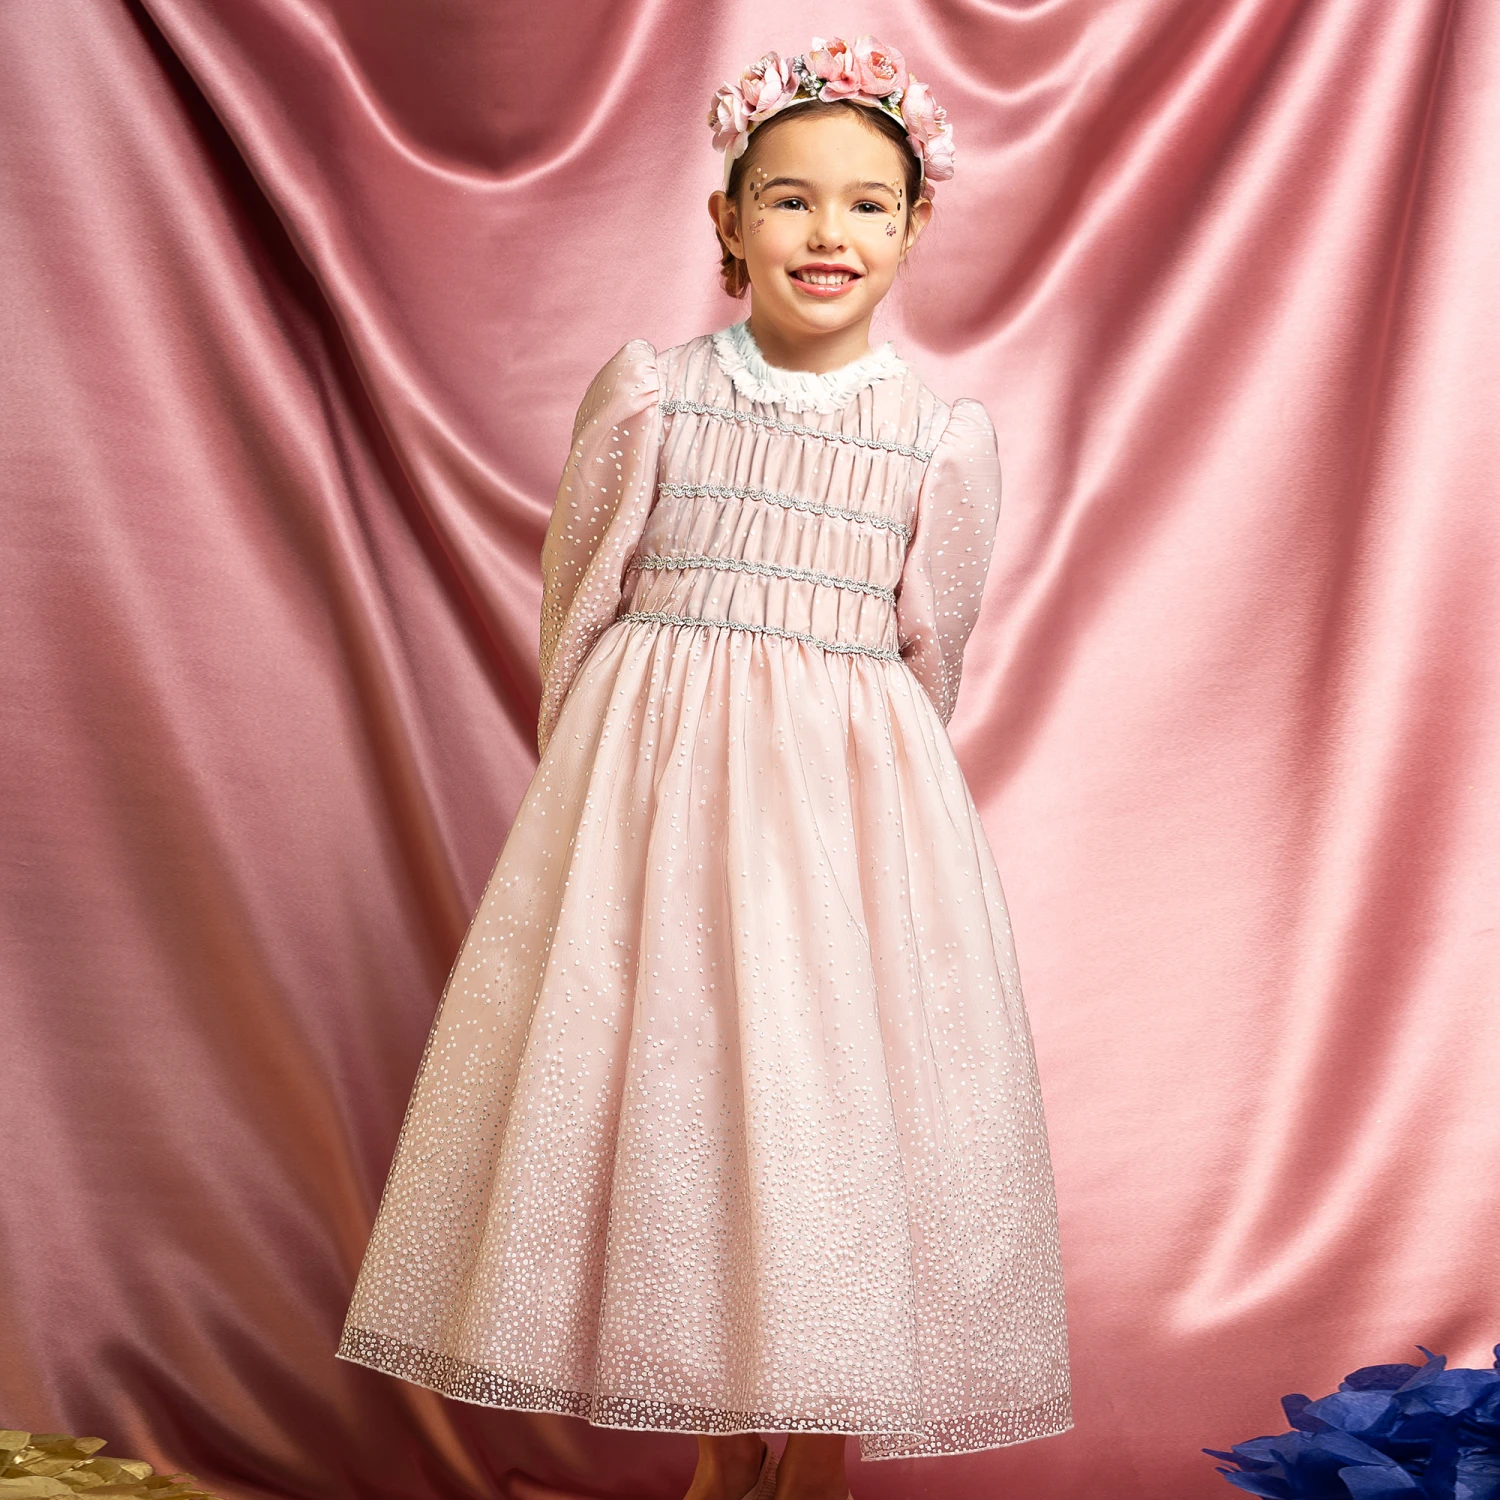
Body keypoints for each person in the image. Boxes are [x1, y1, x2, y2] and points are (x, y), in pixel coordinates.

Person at [337, 34, 1072, 1500]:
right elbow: (578, 606)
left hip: (848, 827)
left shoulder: (939, 443)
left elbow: (932, 655)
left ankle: (817, 1451)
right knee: (688, 1107)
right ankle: (719, 1452)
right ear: (727, 218)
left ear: (915, 227)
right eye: (790, 199)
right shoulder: (653, 397)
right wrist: (609, 806)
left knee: (832, 1110)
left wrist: (859, 800)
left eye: (868, 204)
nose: (828, 232)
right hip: (658, 815)